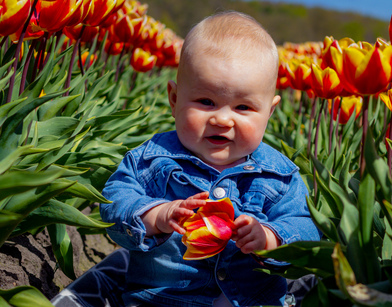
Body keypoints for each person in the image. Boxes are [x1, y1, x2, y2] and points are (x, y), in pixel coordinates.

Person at [100, 11, 321, 307]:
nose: (222, 118)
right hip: (164, 300)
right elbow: (113, 204)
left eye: (243, 107)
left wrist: (271, 238)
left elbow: (307, 226)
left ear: (269, 112)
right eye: (206, 102)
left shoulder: (279, 175)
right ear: (175, 99)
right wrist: (157, 215)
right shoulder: (150, 161)